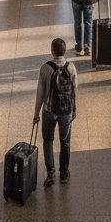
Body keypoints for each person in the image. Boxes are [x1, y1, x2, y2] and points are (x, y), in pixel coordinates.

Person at [32, 38, 78, 188]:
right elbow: (74, 91)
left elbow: (40, 93)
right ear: (64, 51)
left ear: (52, 51)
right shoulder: (71, 68)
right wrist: (74, 108)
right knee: (65, 142)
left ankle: (51, 173)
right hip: (66, 111)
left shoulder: (45, 68)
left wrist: (36, 113)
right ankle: (64, 173)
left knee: (48, 140)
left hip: (49, 111)